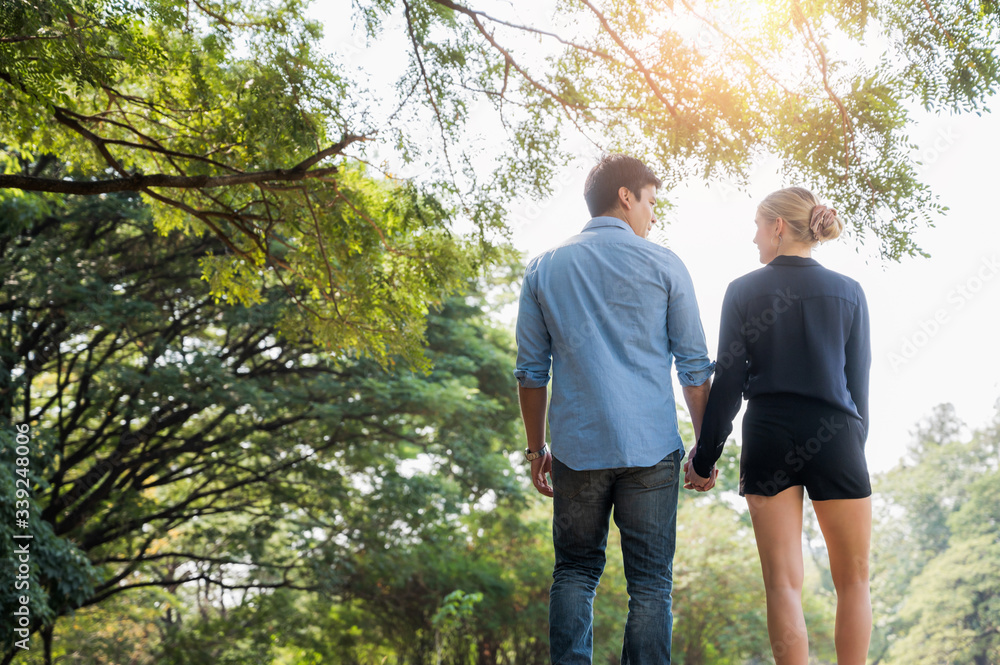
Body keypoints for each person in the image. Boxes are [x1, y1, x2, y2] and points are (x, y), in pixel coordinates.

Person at [513, 154, 715, 665]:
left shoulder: (544, 267)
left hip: (578, 451)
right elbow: (694, 368)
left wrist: (537, 449)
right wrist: (703, 450)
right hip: (651, 451)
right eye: (650, 201)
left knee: (575, 573)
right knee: (651, 584)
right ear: (626, 196)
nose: (652, 215)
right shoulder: (665, 264)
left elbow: (531, 373)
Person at [685, 187, 872, 665]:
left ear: (778, 227)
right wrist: (854, 445)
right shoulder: (849, 291)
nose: (752, 238)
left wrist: (704, 458)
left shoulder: (743, 290)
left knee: (783, 583)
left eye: (756, 226)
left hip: (769, 433)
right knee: (853, 580)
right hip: (837, 433)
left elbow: (727, 381)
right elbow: (859, 382)